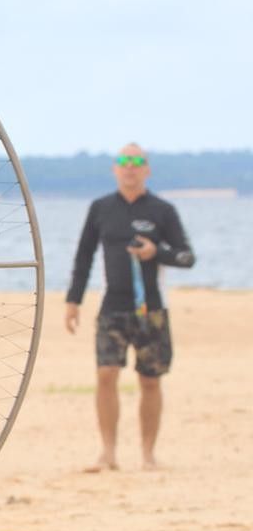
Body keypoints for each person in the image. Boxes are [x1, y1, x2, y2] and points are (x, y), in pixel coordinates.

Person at [65, 142, 195, 471]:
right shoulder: (100, 208)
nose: (130, 167)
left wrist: (157, 251)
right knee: (106, 375)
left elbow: (187, 257)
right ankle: (108, 453)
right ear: (115, 169)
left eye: (137, 162)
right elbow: (84, 257)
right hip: (112, 307)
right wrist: (73, 301)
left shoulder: (162, 210)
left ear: (147, 169)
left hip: (152, 310)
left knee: (150, 381)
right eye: (124, 161)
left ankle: (148, 455)